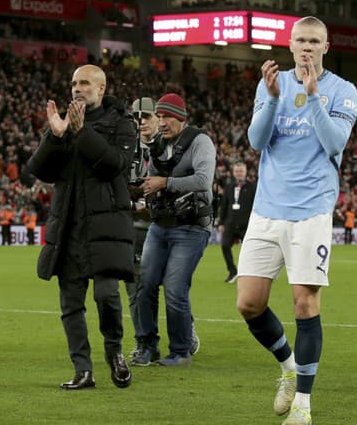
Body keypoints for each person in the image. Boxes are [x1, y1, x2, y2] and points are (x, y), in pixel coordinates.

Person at [236, 16, 357, 425]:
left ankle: (303, 401)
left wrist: (313, 94)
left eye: (315, 41)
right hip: (268, 208)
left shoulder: (343, 90)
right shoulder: (272, 84)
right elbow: (256, 142)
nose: (307, 47)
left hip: (312, 210)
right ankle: (289, 366)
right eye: (301, 40)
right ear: (290, 45)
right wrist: (272, 98)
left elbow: (335, 143)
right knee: (248, 302)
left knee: (305, 302)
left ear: (327, 46)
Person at [25, 64, 135, 390]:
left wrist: (81, 131)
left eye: (84, 83)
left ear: (101, 89)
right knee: (70, 305)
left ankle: (114, 352)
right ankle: (82, 370)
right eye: (73, 83)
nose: (77, 89)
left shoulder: (122, 124)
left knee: (106, 296)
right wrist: (56, 136)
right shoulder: (64, 125)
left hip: (105, 227)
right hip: (68, 227)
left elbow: (115, 165)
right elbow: (39, 170)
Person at [134, 93, 215, 367]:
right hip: (161, 225)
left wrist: (164, 183)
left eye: (167, 116)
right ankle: (147, 346)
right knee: (145, 284)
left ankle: (181, 352)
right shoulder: (159, 144)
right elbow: (153, 181)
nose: (162, 122)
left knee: (175, 287)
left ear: (180, 117)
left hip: (191, 227)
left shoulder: (200, 141)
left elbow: (204, 180)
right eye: (160, 117)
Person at [125, 96, 158, 360]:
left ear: (158, 118)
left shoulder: (171, 148)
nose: (142, 122)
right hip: (133, 229)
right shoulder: (125, 150)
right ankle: (143, 341)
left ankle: (185, 328)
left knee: (173, 287)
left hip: (164, 228)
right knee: (135, 289)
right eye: (137, 118)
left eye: (147, 116)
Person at [217, 162, 255, 283]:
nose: (239, 173)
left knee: (250, 250)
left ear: (245, 172)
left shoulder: (253, 187)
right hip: (230, 223)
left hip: (247, 224)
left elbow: (256, 206)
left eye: (241, 171)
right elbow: (224, 205)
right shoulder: (229, 187)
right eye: (237, 171)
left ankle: (249, 273)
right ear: (233, 172)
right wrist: (221, 223)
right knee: (224, 246)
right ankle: (233, 271)